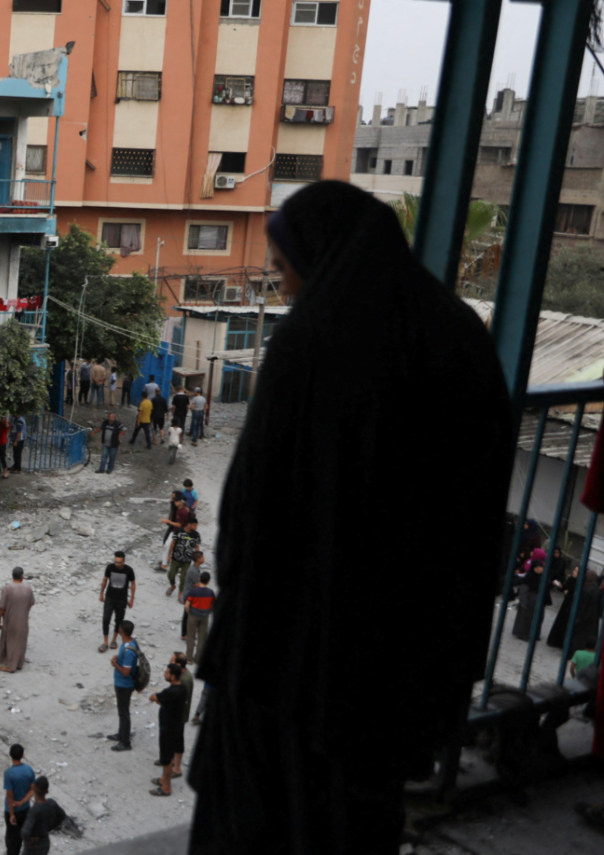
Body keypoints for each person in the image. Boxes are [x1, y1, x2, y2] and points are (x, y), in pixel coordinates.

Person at [188, 182, 513, 854]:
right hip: (397, 666)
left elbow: (251, 511)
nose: (280, 288)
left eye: (281, 269)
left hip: (285, 659)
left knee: (265, 820)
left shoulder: (309, 345)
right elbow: (475, 521)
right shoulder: (458, 338)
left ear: (322, 255)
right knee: (356, 822)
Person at [149, 663, 188, 797]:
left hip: (167, 728)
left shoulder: (170, 691)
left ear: (172, 676)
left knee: (166, 759)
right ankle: (163, 779)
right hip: (176, 725)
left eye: (167, 673)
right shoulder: (182, 688)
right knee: (168, 756)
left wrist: (157, 698)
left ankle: (166, 787)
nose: (164, 674)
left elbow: (154, 697)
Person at [0, 567, 35, 672]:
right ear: (22, 576)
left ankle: (10, 666)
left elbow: (2, 607)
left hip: (11, 619)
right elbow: (31, 603)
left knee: (10, 641)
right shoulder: (28, 588)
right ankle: (18, 663)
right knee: (20, 641)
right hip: (23, 619)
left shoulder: (7, 588)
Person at [109, 620, 139, 751]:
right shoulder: (131, 643)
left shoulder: (128, 651)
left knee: (124, 712)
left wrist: (115, 664)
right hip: (123, 684)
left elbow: (126, 671)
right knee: (122, 711)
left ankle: (125, 742)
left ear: (122, 630)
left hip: (124, 684)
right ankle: (121, 734)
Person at [19, 776, 67, 855]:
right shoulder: (52, 803)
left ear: (34, 789)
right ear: (47, 791)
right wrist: (50, 827)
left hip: (33, 847)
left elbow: (25, 832)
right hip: (45, 842)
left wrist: (30, 840)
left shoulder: (34, 810)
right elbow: (62, 815)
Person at [4, 743, 37, 855]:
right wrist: (22, 802)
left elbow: (10, 795)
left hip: (12, 811)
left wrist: (12, 814)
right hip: (25, 808)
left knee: (12, 837)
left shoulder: (9, 774)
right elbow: (32, 790)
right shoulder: (29, 769)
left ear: (10, 754)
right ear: (23, 755)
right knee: (22, 833)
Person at [512, 547, 552, 641]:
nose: (539, 570)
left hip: (539, 601)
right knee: (526, 618)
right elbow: (523, 590)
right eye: (537, 568)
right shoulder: (529, 577)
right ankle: (524, 634)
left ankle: (534, 635)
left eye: (540, 568)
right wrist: (524, 602)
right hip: (530, 600)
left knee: (538, 618)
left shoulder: (544, 577)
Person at [99, 551, 135, 653]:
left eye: (119, 562)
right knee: (106, 619)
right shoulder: (110, 568)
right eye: (116, 562)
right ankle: (105, 642)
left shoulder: (129, 570)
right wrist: (101, 593)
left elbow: (133, 584)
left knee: (118, 620)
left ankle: (114, 640)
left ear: (124, 561)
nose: (117, 564)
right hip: (110, 597)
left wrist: (132, 598)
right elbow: (105, 580)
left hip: (122, 599)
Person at [183, 571, 216, 664]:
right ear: (208, 581)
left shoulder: (193, 591)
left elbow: (187, 604)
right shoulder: (210, 592)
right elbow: (213, 605)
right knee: (202, 638)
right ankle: (198, 658)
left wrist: (188, 612)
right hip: (204, 617)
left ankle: (189, 658)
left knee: (191, 637)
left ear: (199, 579)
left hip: (193, 615)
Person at [166, 518, 202, 598]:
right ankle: (172, 586)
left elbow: (196, 547)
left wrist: (198, 560)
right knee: (171, 574)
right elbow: (173, 543)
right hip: (176, 558)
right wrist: (169, 555)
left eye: (196, 525)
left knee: (183, 578)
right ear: (189, 524)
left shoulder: (196, 535)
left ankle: (180, 593)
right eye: (194, 525)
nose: (196, 527)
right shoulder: (179, 531)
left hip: (187, 560)